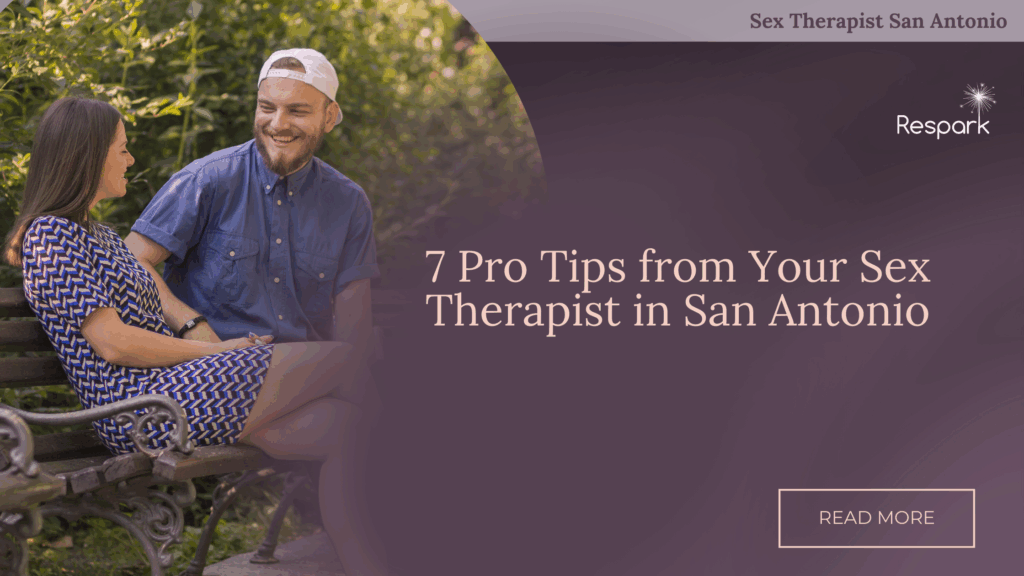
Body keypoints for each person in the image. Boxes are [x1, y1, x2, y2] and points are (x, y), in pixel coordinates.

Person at [2, 97, 389, 576]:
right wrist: (215, 351)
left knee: (350, 430)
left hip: (178, 393)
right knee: (349, 357)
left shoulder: (96, 234)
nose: (131, 159)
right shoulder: (51, 236)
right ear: (87, 156)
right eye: (122, 149)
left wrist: (193, 333)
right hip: (138, 409)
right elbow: (112, 342)